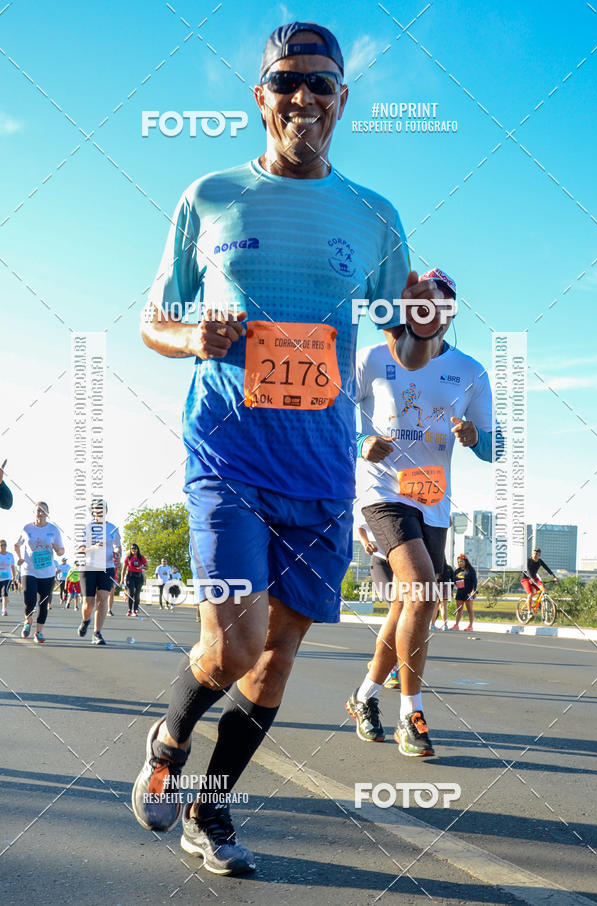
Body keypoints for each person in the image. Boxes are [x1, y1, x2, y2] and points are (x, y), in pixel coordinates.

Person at [130, 19, 441, 876]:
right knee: (231, 646)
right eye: (286, 82)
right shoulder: (211, 195)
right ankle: (170, 736)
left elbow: (402, 347)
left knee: (275, 665)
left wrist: (417, 331)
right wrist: (194, 338)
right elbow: (153, 320)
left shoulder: (375, 216)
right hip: (226, 456)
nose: (303, 97)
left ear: (343, 101)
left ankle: (210, 813)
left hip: (318, 465)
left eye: (322, 85)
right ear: (260, 96)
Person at [346, 268, 498, 756]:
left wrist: (475, 438)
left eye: (445, 306)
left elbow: (494, 449)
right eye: (424, 303)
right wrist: (362, 441)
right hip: (382, 493)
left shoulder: (471, 371)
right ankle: (410, 713)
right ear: (410, 307)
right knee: (422, 590)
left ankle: (364, 695)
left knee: (411, 606)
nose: (434, 312)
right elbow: (329, 416)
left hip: (432, 501)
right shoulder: (371, 357)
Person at [15, 501, 64, 643]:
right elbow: (17, 544)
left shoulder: (53, 530)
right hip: (29, 570)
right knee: (29, 600)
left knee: (43, 604)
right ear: (34, 512)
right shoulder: (27, 528)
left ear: (48, 513)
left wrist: (56, 549)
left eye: (44, 511)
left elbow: (61, 551)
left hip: (47, 572)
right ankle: (28, 620)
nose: (41, 513)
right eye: (38, 510)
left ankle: (39, 632)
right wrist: (19, 558)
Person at [357, 522, 399, 689]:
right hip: (381, 561)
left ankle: (378, 660)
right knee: (396, 609)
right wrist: (365, 542)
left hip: (403, 562)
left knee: (404, 613)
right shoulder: (385, 500)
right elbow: (361, 526)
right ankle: (391, 669)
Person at [77, 499, 121, 646]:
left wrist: (117, 552)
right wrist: (93, 548)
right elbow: (81, 549)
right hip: (89, 567)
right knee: (88, 604)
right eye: (97, 509)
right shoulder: (87, 527)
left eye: (103, 509)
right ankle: (85, 620)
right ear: (93, 512)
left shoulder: (113, 528)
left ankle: (97, 633)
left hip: (107, 567)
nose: (100, 512)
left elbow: (117, 547)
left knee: (102, 601)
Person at [521, 547, 558, 617]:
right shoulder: (528, 560)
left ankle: (539, 604)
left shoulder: (540, 561)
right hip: (526, 579)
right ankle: (529, 612)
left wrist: (554, 577)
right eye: (534, 554)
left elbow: (547, 569)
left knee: (543, 590)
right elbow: (527, 570)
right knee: (530, 594)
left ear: (539, 555)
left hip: (534, 578)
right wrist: (530, 578)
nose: (534, 555)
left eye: (536, 554)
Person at [450, 554, 478, 630]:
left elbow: (474, 581)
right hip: (460, 592)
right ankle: (456, 625)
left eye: (461, 561)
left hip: (468, 592)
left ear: (465, 561)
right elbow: (453, 580)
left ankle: (470, 626)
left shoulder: (471, 570)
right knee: (459, 609)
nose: (460, 563)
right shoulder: (457, 571)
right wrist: (454, 587)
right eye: (458, 562)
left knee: (469, 610)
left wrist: (474, 590)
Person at [121, 543, 147, 616]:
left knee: (137, 594)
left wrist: (142, 567)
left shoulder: (141, 557)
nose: (133, 550)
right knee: (131, 592)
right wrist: (122, 579)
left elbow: (146, 566)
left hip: (139, 576)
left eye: (135, 548)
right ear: (130, 549)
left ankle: (135, 609)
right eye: (132, 548)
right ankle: (129, 609)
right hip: (130, 576)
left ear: (137, 549)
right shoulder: (128, 557)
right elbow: (124, 569)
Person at [430, 560, 454, 630]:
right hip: (446, 587)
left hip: (437, 586)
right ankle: (445, 625)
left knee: (435, 606)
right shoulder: (449, 568)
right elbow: (453, 579)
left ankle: (432, 625)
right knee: (444, 606)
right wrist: (451, 589)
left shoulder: (436, 568)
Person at [0, 538, 16, 616]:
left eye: (4, 545)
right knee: (1, 594)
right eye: (1, 545)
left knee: (4, 592)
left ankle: (4, 609)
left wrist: (14, 576)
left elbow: (12, 566)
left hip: (7, 577)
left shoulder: (10, 555)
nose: (3, 546)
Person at [108, 543, 122, 616]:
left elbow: (119, 565)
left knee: (111, 593)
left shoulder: (116, 555)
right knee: (103, 593)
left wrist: (118, 562)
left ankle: (109, 609)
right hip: (106, 575)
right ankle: (101, 608)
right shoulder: (106, 554)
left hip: (114, 576)